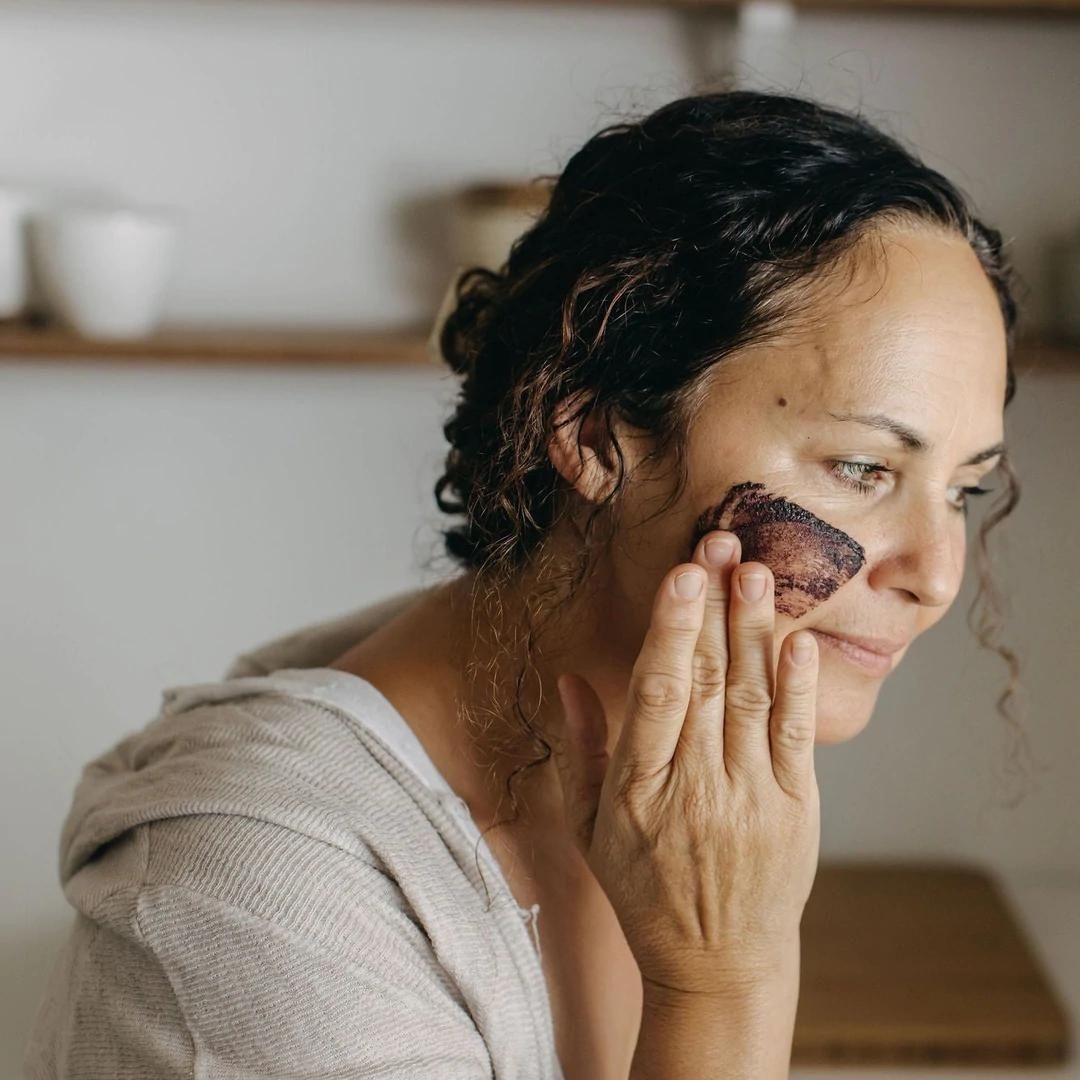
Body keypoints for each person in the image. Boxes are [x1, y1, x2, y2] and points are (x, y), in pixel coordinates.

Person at [23, 88, 1020, 1080]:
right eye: (862, 470)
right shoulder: (252, 900)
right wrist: (727, 990)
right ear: (595, 435)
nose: (935, 574)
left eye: (964, 489)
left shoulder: (677, 804)